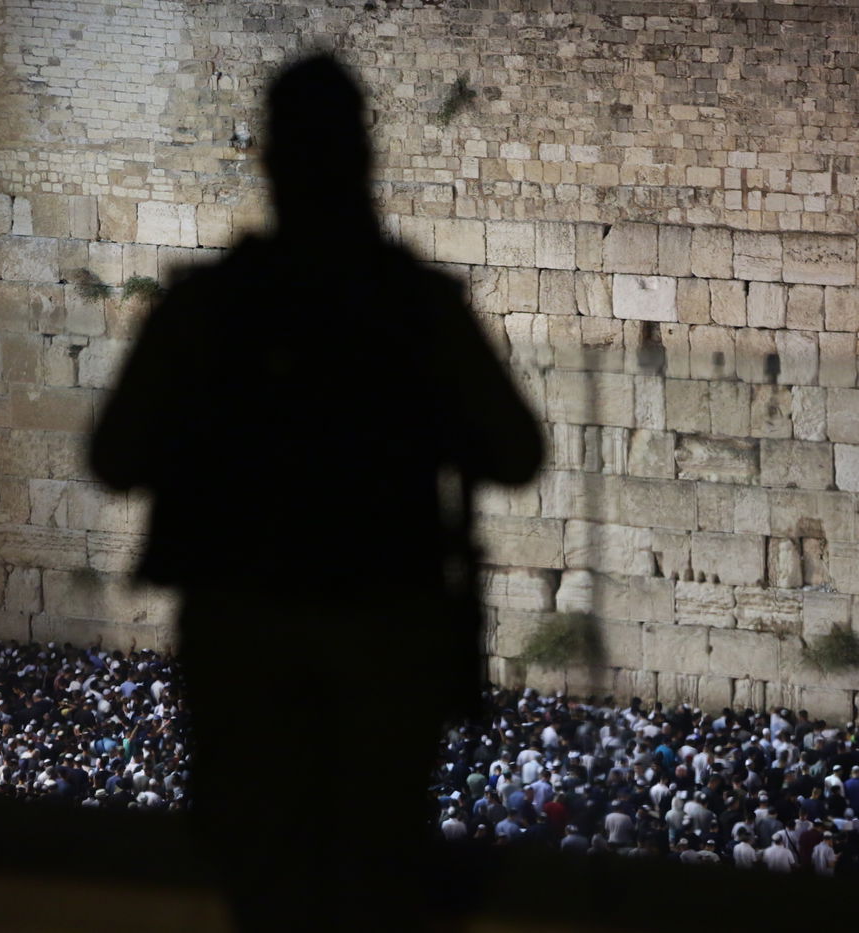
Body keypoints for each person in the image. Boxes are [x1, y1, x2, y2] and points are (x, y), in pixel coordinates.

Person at [90, 53, 542, 933]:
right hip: (386, 627)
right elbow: (515, 452)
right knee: (377, 874)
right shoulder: (415, 307)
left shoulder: (209, 311)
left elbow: (115, 456)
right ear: (365, 159)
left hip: (242, 631)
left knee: (266, 880)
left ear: (268, 161)